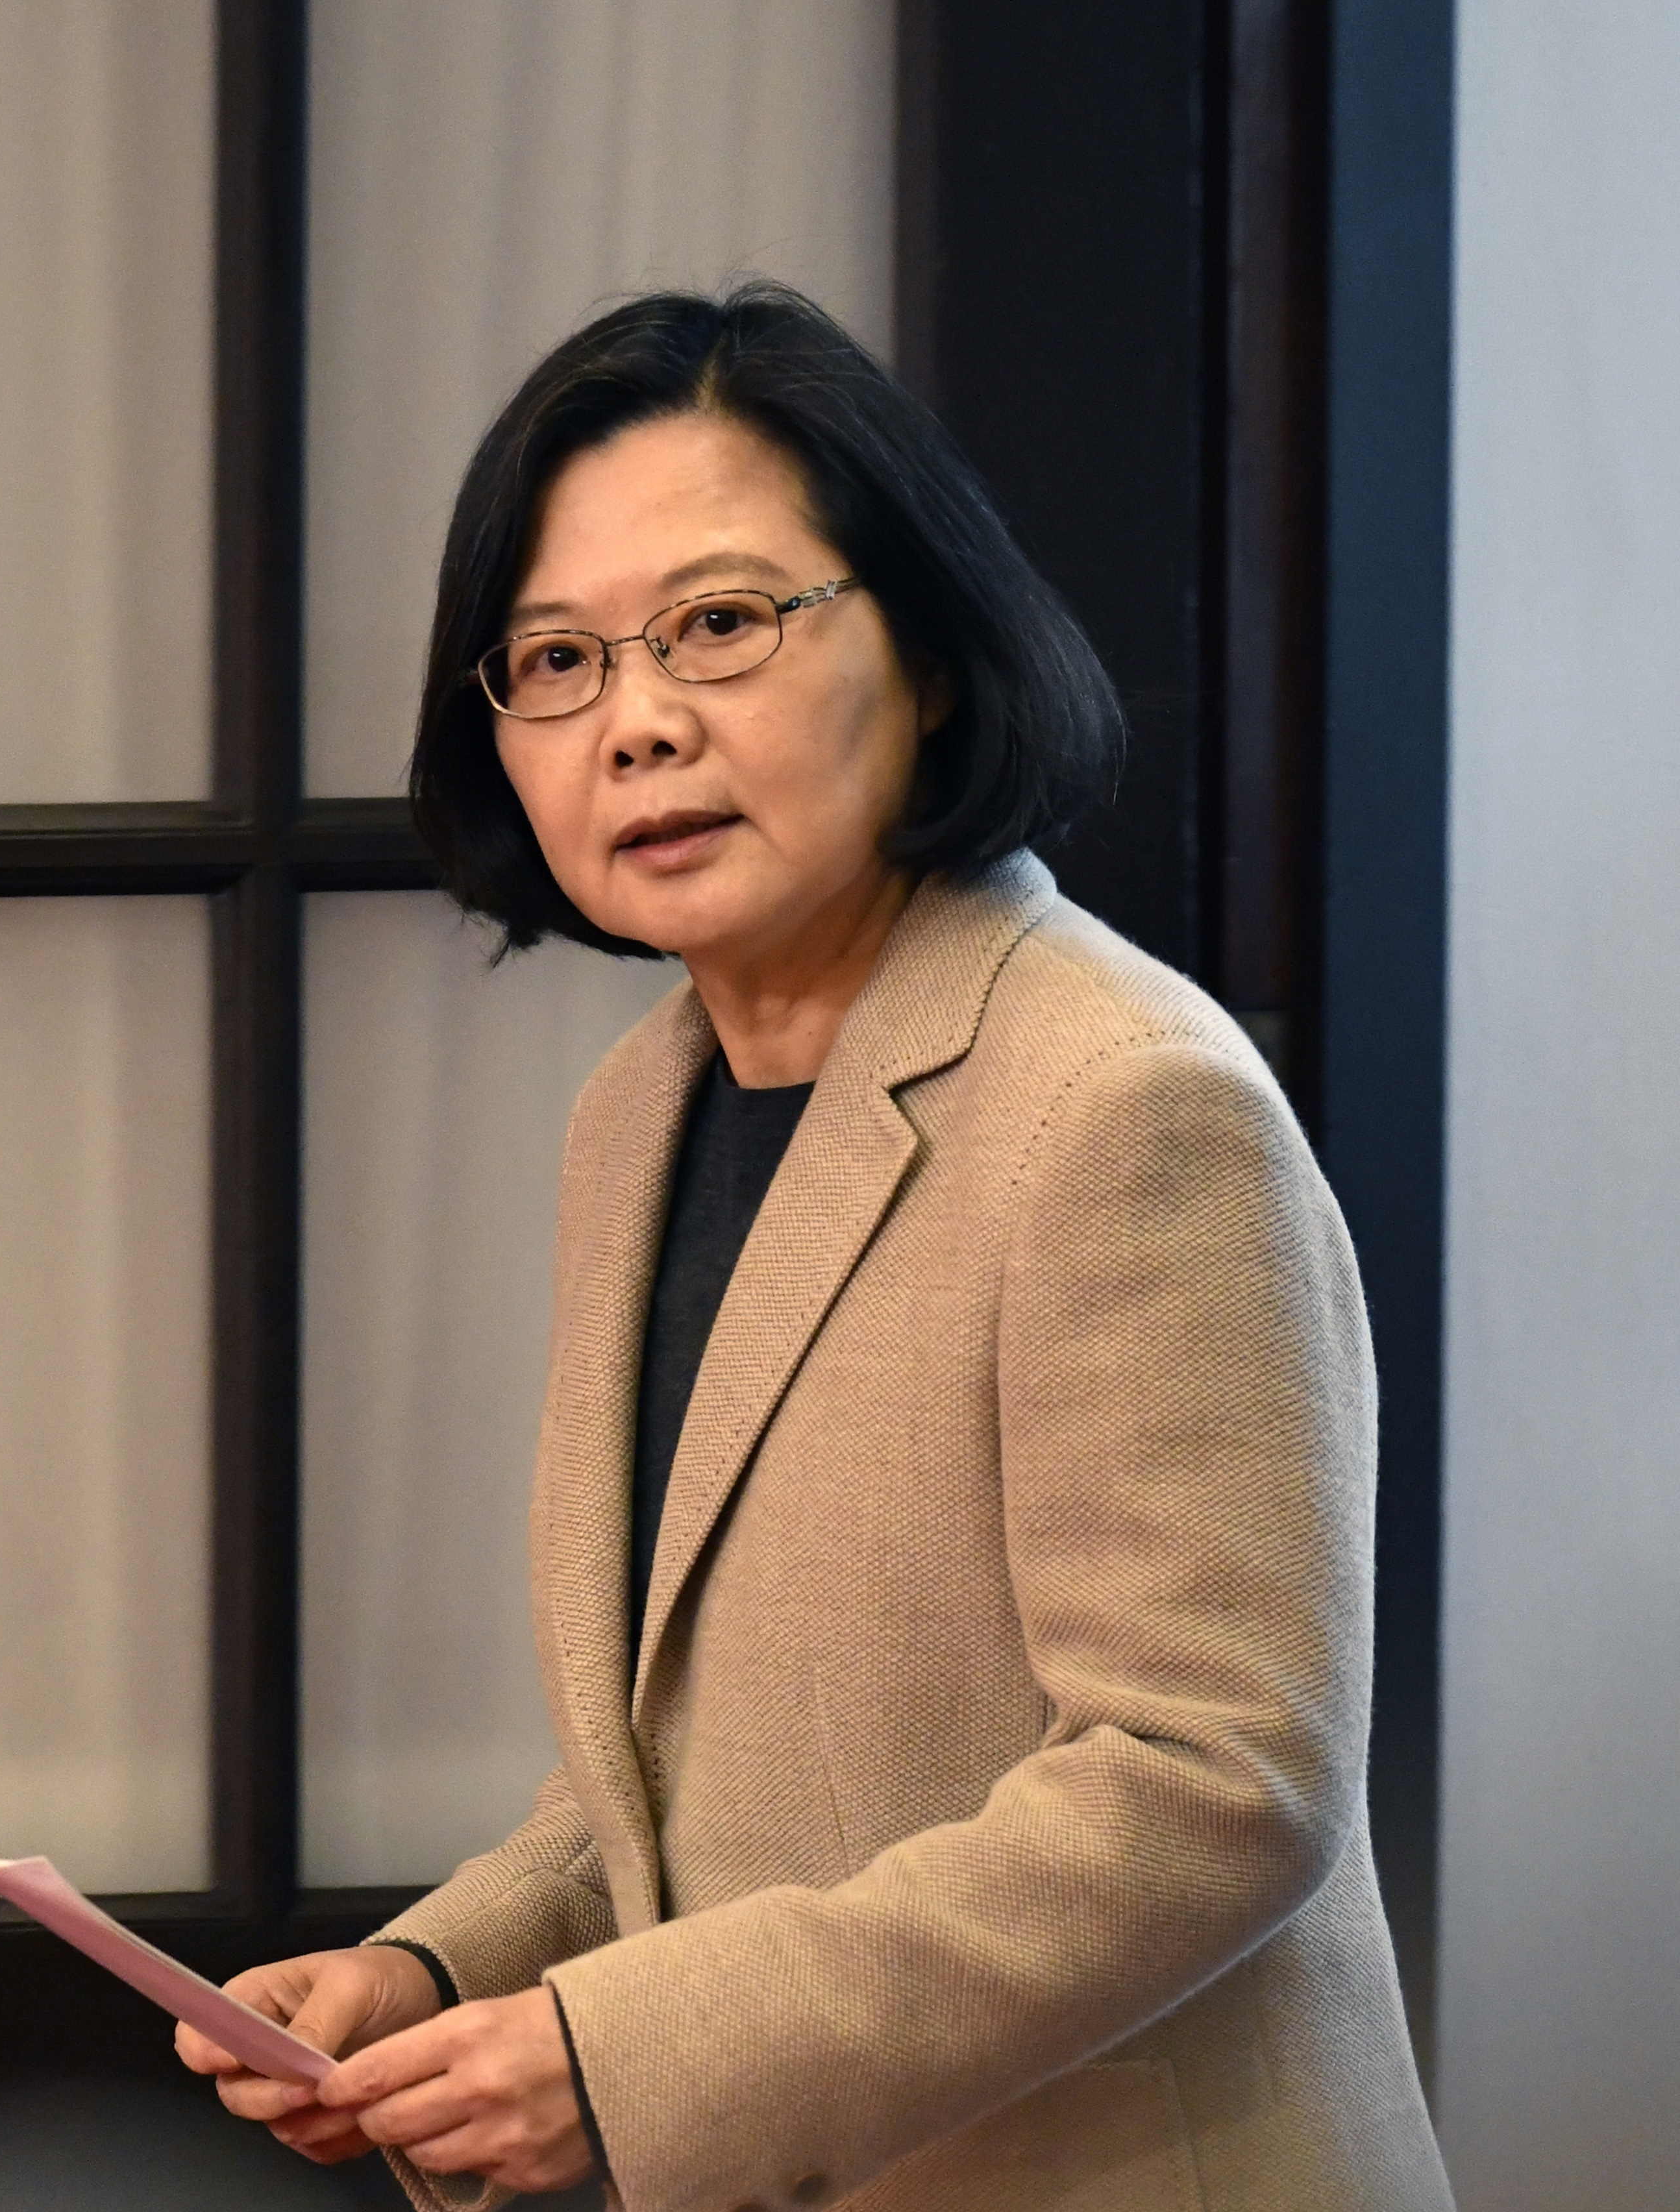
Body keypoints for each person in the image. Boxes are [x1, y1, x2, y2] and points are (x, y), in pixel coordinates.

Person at [177, 286, 1453, 2211]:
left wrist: (621, 2061)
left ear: (928, 652)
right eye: (555, 658)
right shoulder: (641, 1115)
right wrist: (437, 1972)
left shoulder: (1123, 1104)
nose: (641, 722)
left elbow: (1214, 1788)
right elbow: (698, 1770)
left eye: (718, 623)